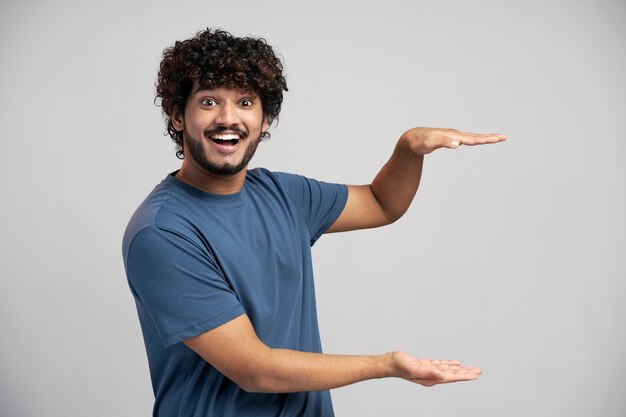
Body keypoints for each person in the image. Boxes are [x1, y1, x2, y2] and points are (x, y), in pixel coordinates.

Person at [122, 28, 507, 417]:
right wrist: (386, 365)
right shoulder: (163, 232)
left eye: (245, 102)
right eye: (208, 102)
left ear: (264, 118)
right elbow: (255, 371)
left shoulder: (282, 194)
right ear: (177, 115)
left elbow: (380, 202)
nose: (228, 118)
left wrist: (409, 148)